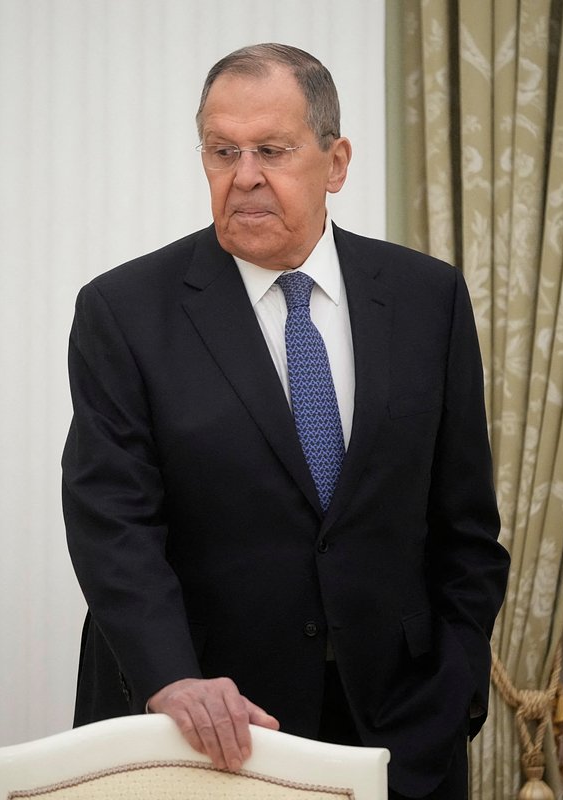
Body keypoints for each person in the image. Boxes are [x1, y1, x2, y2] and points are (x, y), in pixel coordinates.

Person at [61, 43, 509, 800]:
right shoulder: (125, 312)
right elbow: (113, 526)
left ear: (335, 163)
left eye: (271, 150)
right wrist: (174, 681)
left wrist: (455, 687)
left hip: (397, 727)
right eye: (221, 151)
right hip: (206, 730)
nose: (243, 176)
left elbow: (465, 523)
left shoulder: (426, 298)